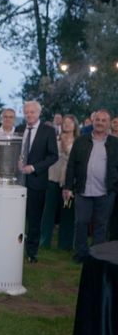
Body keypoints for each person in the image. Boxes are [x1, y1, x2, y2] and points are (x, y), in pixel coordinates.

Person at [63, 109, 118, 262]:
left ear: (108, 123)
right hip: (83, 190)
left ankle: (96, 256)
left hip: (106, 192)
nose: (100, 123)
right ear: (93, 121)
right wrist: (67, 187)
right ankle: (81, 254)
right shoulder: (81, 141)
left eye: (103, 120)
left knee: (101, 225)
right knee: (81, 223)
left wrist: (115, 187)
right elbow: (71, 165)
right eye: (97, 120)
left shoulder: (115, 143)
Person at [20, 100, 59, 263]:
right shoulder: (19, 129)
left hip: (36, 181)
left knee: (34, 218)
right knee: (15, 216)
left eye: (32, 112)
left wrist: (34, 168)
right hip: (17, 180)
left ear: (39, 113)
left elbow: (53, 156)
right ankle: (12, 248)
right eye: (26, 112)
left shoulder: (48, 131)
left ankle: (32, 252)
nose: (29, 115)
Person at [40, 114, 78, 250]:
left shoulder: (79, 142)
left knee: (67, 212)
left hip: (69, 182)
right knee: (48, 211)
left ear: (75, 125)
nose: (67, 124)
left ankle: (65, 245)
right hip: (52, 178)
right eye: (65, 122)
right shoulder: (54, 139)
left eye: (70, 122)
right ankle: (44, 241)